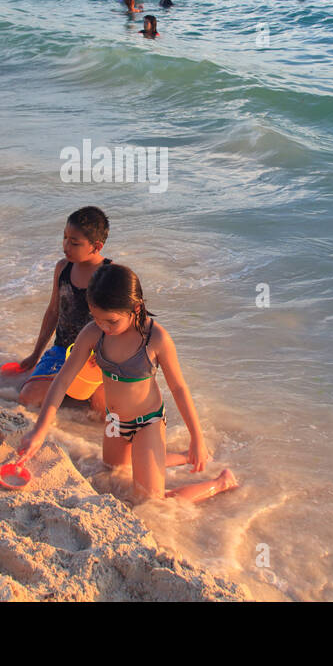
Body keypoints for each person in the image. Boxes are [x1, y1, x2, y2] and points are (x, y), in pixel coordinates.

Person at [14, 263, 238, 503]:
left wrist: (197, 438)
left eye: (111, 321)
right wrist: (39, 431)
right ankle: (181, 456)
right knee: (112, 472)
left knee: (151, 502)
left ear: (136, 307)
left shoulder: (156, 339)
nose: (103, 326)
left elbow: (179, 389)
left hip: (147, 424)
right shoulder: (93, 333)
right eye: (96, 318)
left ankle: (221, 481)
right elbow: (61, 382)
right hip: (114, 422)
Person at [16, 207, 111, 412]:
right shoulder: (63, 268)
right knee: (27, 398)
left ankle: (81, 398)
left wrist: (106, 354)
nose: (66, 245)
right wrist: (35, 355)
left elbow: (124, 323)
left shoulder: (110, 275)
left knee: (105, 412)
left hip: (97, 357)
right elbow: (53, 312)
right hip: (62, 351)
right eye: (65, 237)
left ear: (97, 246)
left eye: (75, 242)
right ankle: (67, 391)